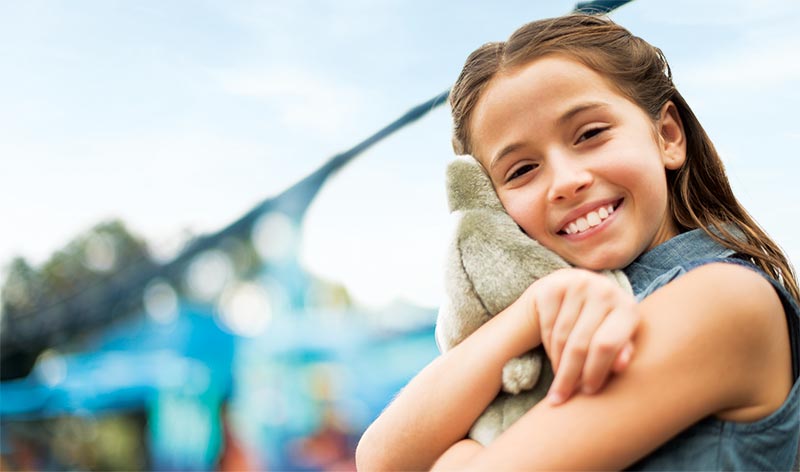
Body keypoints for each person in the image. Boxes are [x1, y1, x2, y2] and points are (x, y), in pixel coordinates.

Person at [355, 13, 800, 471]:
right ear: (492, 206)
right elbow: (377, 458)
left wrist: (457, 456)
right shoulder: (556, 316)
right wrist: (532, 310)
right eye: (522, 170)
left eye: (590, 134)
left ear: (667, 135)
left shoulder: (724, 299)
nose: (565, 182)